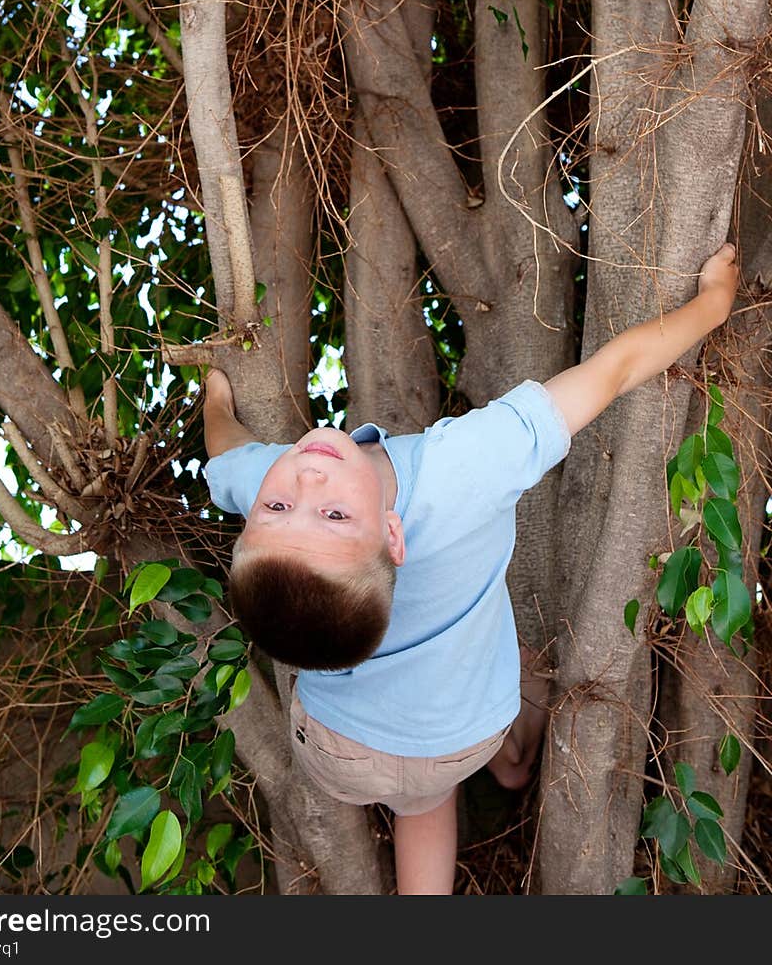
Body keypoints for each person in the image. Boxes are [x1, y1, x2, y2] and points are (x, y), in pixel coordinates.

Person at [201, 243, 739, 894]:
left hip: (336, 751)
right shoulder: (469, 466)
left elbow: (225, 459)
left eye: (280, 505)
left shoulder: (264, 483)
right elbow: (614, 371)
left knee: (422, 801)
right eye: (334, 517)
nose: (306, 479)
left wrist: (216, 403)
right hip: (460, 738)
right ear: (391, 538)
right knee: (431, 791)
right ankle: (512, 769)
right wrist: (713, 303)